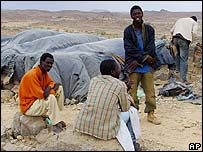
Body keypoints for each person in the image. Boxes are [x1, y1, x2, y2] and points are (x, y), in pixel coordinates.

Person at [74, 59, 141, 151]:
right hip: (103, 129)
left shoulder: (94, 80)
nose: (119, 71)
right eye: (118, 69)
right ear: (112, 72)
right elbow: (125, 108)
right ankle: (133, 142)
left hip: (84, 124)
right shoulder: (120, 85)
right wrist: (126, 89)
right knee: (132, 111)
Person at [123, 5, 161, 125]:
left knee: (150, 92)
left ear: (142, 14)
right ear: (131, 16)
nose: (137, 16)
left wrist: (142, 58)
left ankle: (151, 114)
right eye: (135, 14)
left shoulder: (150, 30)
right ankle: (133, 115)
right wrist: (144, 58)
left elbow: (151, 47)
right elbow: (129, 49)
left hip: (147, 67)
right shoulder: (128, 31)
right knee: (132, 93)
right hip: (134, 66)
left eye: (139, 13)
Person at [18, 52, 66, 133]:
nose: (50, 65)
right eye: (47, 63)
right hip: (29, 107)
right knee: (51, 98)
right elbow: (42, 95)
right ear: (41, 62)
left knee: (60, 89)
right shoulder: (32, 75)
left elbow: (51, 83)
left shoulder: (44, 73)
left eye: (51, 63)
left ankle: (56, 116)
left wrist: (50, 88)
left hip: (36, 102)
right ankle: (54, 124)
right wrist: (51, 89)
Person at [170, 16, 198, 83]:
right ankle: (183, 80)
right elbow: (194, 33)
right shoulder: (194, 22)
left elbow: (171, 31)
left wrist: (173, 39)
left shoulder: (180, 19)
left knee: (178, 55)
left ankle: (177, 71)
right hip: (183, 40)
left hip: (175, 38)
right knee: (183, 59)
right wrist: (192, 41)